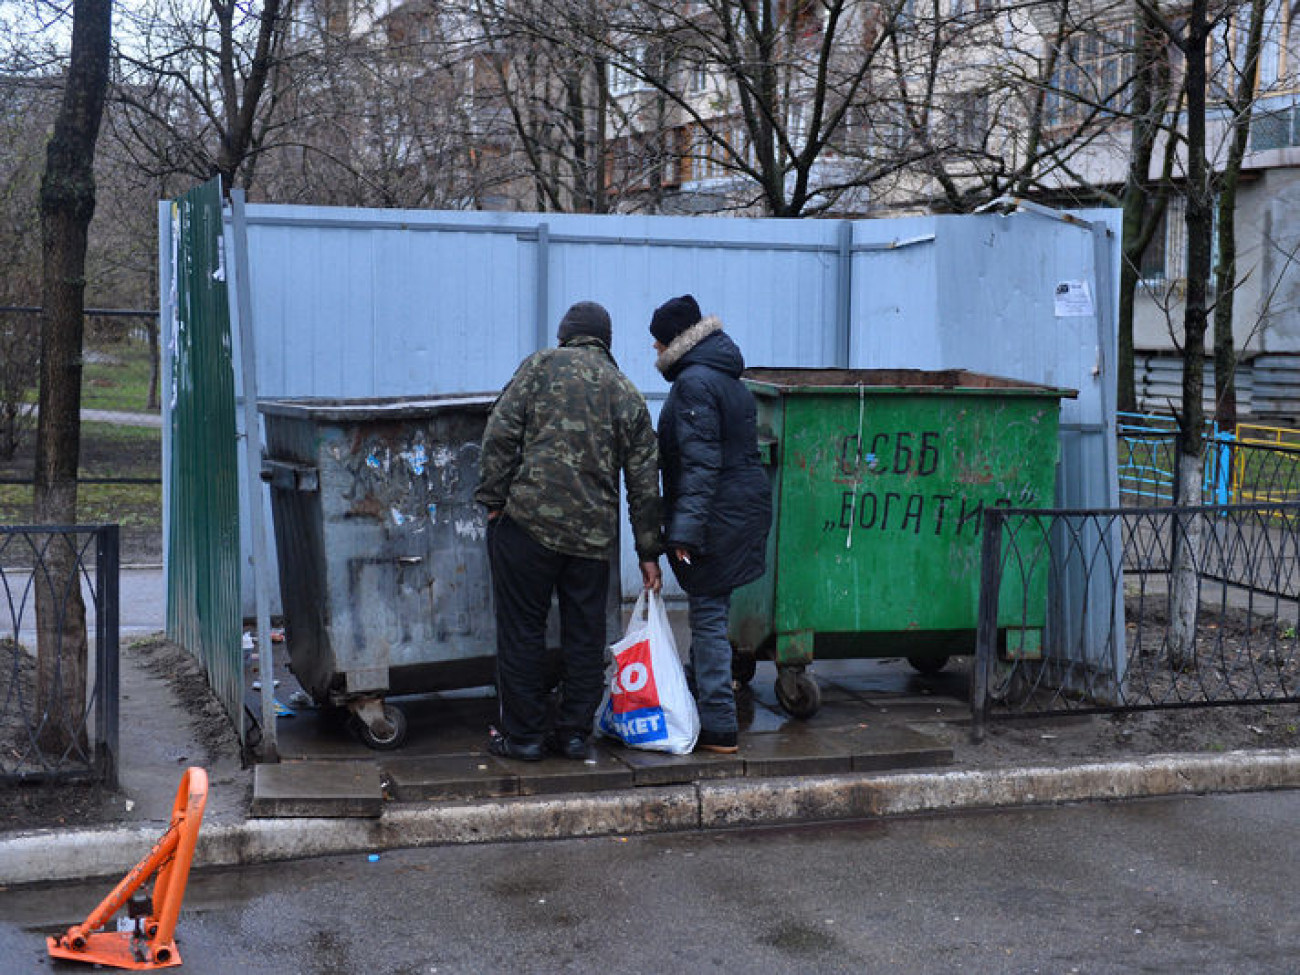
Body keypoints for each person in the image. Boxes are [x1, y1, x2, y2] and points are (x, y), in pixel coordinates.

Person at [476, 300, 663, 762]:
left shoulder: (539, 367)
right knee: (584, 636)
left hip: (528, 526)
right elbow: (644, 479)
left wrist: (495, 502)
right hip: (591, 540)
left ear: (565, 334)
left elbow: (499, 435)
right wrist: (647, 550)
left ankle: (523, 738)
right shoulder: (624, 390)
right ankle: (575, 734)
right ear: (606, 341)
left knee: (522, 631)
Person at [650, 294, 771, 754]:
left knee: (707, 615)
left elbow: (701, 466)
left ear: (675, 341)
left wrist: (684, 531)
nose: (655, 352)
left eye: (657, 342)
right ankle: (703, 698)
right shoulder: (723, 378)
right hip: (738, 509)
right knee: (712, 608)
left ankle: (719, 724)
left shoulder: (695, 384)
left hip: (717, 515)